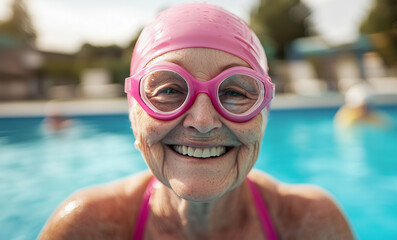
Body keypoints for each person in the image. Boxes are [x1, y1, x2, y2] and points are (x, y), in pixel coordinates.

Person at [38, 3, 354, 239]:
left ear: (263, 114)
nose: (202, 121)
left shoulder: (309, 224)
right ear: (134, 114)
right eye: (169, 90)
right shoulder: (87, 228)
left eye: (234, 91)